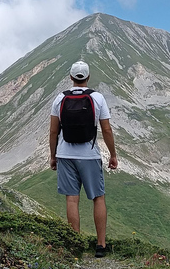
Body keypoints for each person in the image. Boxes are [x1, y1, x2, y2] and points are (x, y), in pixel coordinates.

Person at [49, 60, 118, 258]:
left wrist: (53, 156)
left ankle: (76, 245)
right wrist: (113, 155)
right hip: (89, 154)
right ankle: (101, 246)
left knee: (72, 199)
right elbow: (106, 129)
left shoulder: (59, 99)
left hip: (64, 154)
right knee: (98, 197)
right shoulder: (97, 98)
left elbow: (54, 131)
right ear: (88, 77)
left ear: (70, 77)